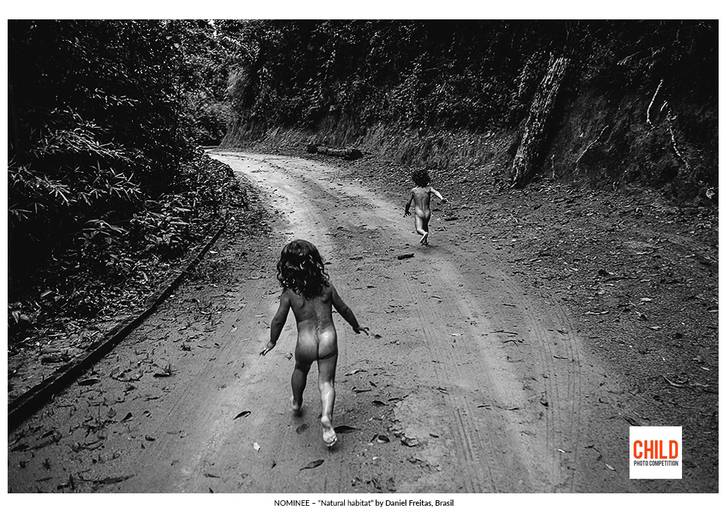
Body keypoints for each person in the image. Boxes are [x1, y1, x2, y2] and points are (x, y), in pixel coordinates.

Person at [260, 239, 369, 447]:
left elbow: (278, 320)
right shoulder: (326, 287)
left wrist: (272, 341)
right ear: (315, 262)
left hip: (306, 341)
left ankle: (296, 401)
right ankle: (326, 417)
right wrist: (356, 325)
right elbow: (344, 309)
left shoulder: (289, 294)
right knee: (327, 382)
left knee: (300, 369)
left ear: (287, 267)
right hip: (328, 338)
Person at [404, 169, 446, 245]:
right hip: (427, 212)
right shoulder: (429, 188)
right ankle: (425, 241)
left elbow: (408, 203)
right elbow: (436, 192)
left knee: (419, 228)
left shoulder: (414, 190)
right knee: (425, 225)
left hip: (419, 212)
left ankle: (424, 234)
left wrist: (406, 210)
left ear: (415, 180)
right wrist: (441, 198)